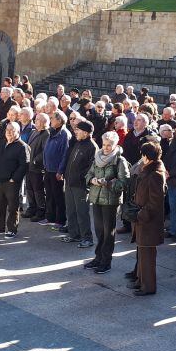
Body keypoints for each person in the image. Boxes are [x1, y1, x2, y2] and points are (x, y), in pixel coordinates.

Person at [86, 131, 131, 275]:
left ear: (115, 144)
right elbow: (88, 174)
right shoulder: (97, 156)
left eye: (109, 145)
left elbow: (125, 182)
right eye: (104, 144)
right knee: (99, 231)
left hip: (111, 201)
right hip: (96, 197)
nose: (105, 148)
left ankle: (106, 262)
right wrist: (92, 180)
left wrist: (108, 183)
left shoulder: (119, 160)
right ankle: (98, 257)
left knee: (108, 233)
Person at [131, 142, 166, 295]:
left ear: (147, 156)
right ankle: (140, 281)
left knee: (147, 256)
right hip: (143, 220)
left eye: (143, 154)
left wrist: (140, 215)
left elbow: (155, 202)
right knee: (142, 252)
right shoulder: (149, 170)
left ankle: (148, 287)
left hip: (148, 222)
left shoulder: (156, 175)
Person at [0, 121, 29, 238]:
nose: (9, 133)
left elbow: (24, 165)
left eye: (12, 130)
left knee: (12, 207)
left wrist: (14, 179)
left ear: (18, 132)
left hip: (11, 182)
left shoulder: (22, 146)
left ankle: (12, 229)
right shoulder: (2, 143)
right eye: (7, 130)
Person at [61, 120, 98, 248]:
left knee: (82, 212)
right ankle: (74, 234)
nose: (75, 132)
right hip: (70, 183)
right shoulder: (78, 143)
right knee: (70, 210)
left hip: (81, 186)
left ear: (86, 133)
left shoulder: (92, 147)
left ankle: (87, 238)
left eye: (78, 130)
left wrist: (81, 178)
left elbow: (91, 168)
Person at [42, 111, 71, 229]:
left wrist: (60, 171)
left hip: (56, 170)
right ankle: (50, 217)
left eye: (52, 118)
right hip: (48, 168)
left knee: (58, 195)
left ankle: (60, 219)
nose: (50, 120)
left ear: (59, 120)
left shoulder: (64, 134)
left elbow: (65, 154)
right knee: (49, 194)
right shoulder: (52, 131)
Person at [25, 113, 49, 222]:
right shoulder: (34, 132)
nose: (36, 120)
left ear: (44, 122)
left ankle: (41, 210)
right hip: (29, 166)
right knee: (29, 188)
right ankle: (32, 207)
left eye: (38, 119)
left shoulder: (46, 134)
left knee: (37, 189)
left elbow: (45, 151)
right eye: (36, 119)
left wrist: (35, 160)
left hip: (37, 167)